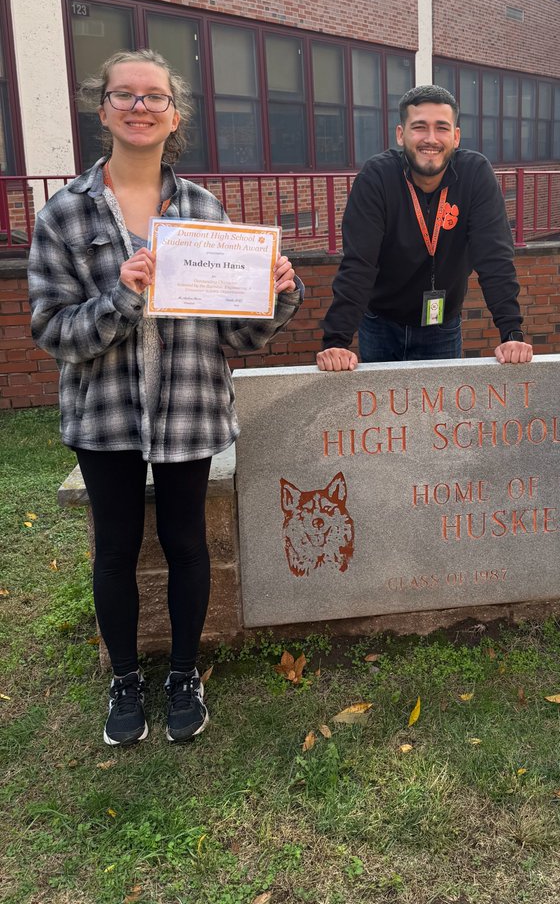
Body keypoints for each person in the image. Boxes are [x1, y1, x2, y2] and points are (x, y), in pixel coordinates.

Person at [29, 50, 303, 745]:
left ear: (173, 114)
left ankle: (184, 673)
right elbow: (53, 332)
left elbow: (239, 339)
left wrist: (277, 292)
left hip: (187, 402)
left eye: (155, 97)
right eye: (126, 95)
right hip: (106, 410)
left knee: (186, 542)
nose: (140, 106)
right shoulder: (65, 213)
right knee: (116, 548)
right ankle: (126, 681)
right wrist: (122, 296)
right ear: (104, 109)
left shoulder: (203, 210)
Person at [316, 84, 532, 370]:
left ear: (456, 136)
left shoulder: (475, 174)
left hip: (442, 329)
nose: (431, 138)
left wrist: (511, 333)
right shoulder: (377, 177)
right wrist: (336, 342)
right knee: (382, 412)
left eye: (441, 128)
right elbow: (359, 264)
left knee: (441, 413)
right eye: (419, 127)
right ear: (401, 134)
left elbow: (495, 259)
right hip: (380, 324)